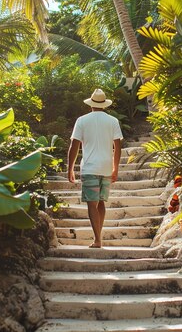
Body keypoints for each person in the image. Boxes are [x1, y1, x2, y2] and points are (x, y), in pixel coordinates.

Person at [67, 89, 123, 248]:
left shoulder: (82, 120)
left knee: (93, 204)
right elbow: (117, 147)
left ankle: (98, 240)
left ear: (90, 104)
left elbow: (74, 146)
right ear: (104, 105)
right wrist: (115, 168)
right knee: (101, 203)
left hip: (90, 167)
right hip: (106, 166)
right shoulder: (112, 121)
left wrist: (70, 168)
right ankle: (98, 236)